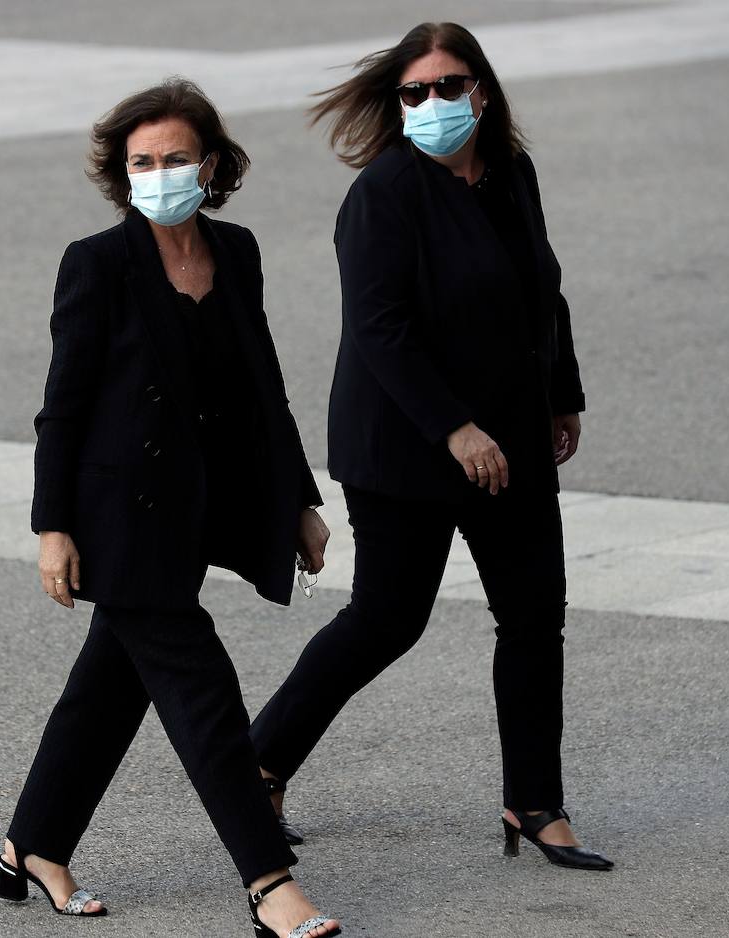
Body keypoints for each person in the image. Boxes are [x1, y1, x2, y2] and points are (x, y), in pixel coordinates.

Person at [248, 22, 613, 872]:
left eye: (450, 86)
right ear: (397, 101)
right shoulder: (383, 193)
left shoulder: (512, 175)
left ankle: (535, 803)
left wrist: (562, 397)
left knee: (534, 619)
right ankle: (257, 764)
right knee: (386, 620)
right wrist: (455, 427)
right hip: (407, 447)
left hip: (512, 442)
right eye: (415, 91)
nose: (434, 103)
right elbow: (381, 330)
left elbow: (542, 294)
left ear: (481, 92)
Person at [0, 78, 344, 938]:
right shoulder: (98, 264)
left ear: (211, 163)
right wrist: (52, 530)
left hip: (192, 515)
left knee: (107, 693)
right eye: (142, 161)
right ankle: (270, 884)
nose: (159, 173)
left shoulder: (238, 252)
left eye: (176, 158)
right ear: (123, 173)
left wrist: (298, 499)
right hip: (118, 520)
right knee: (204, 693)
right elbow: (62, 408)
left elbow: (265, 387)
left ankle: (31, 845)